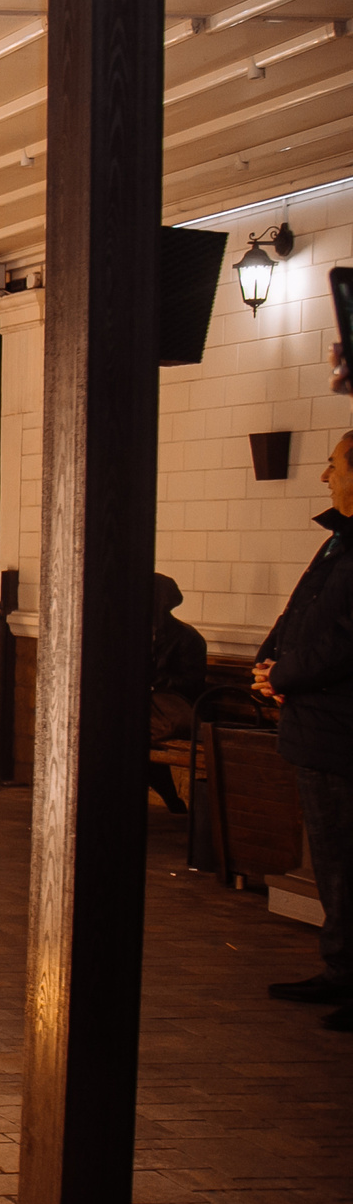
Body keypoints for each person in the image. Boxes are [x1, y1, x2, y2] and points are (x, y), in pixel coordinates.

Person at [253, 429, 353, 1031]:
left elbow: (342, 639)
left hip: (340, 729)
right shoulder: (338, 542)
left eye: (335, 465)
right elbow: (305, 613)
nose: (325, 477)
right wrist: (270, 661)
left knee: (346, 860)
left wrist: (285, 671)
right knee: (334, 860)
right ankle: (340, 968)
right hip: (319, 726)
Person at [147, 573, 208, 813]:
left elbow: (192, 682)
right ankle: (171, 798)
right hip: (154, 710)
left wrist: (155, 680)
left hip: (178, 709)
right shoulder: (139, 634)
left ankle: (171, 799)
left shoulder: (187, 637)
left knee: (131, 735)